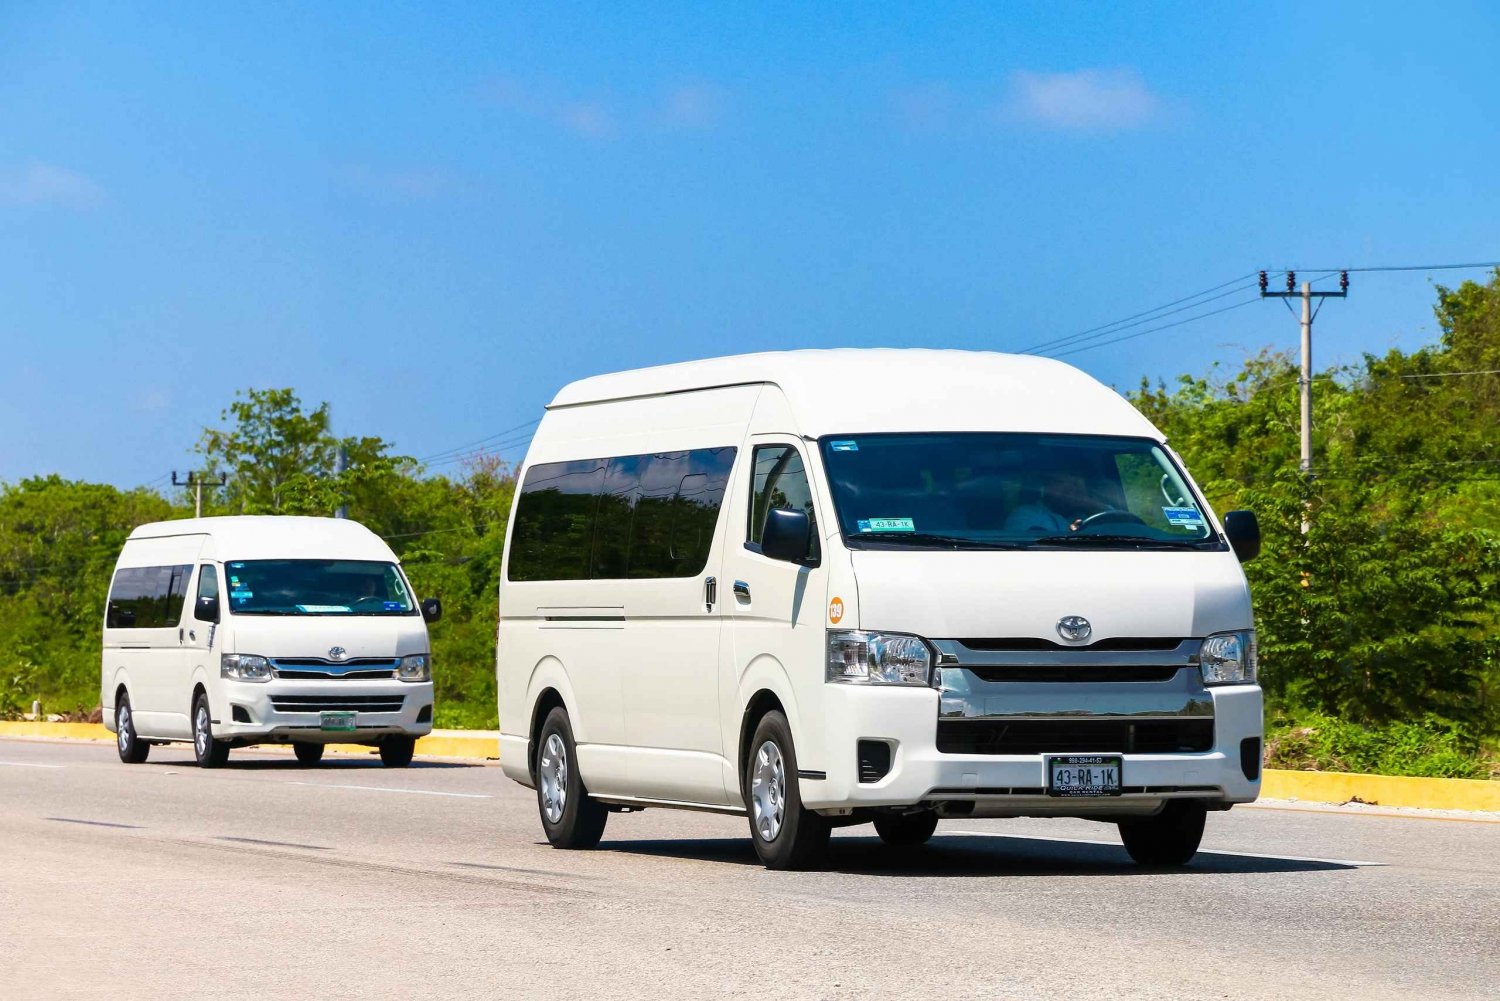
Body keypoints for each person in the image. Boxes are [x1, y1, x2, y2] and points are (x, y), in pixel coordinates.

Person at [1003, 468, 1093, 534]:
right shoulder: (1026, 515)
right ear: (1045, 487)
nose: (1072, 488)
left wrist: (1092, 506)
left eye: (1075, 484)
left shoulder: (1089, 516)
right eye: (1060, 482)